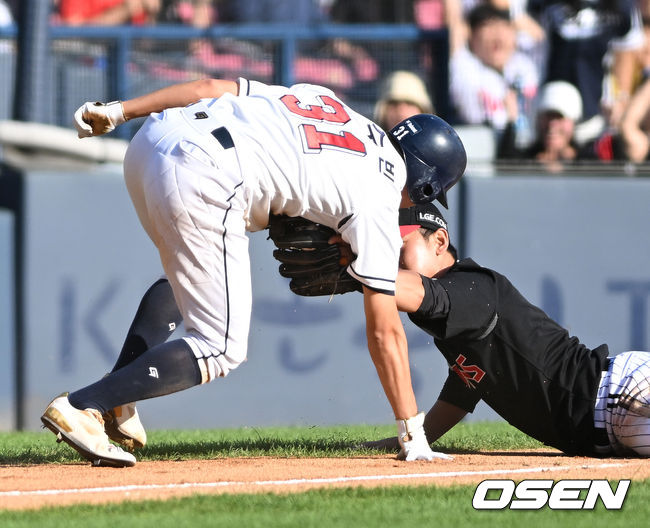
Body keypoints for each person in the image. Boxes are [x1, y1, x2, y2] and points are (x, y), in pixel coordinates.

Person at [40, 78, 467, 467]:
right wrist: (413, 434)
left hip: (152, 141)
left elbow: (210, 85)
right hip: (209, 172)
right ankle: (85, 405)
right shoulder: (381, 194)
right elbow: (384, 331)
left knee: (187, 279)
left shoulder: (328, 101)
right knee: (221, 345)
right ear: (428, 186)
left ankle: (118, 395)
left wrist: (120, 111)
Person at [364, 202, 650, 457]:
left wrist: (357, 267)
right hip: (610, 420)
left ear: (439, 241)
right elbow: (462, 392)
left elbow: (416, 292)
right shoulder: (457, 317)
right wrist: (410, 437)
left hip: (620, 393)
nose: (390, 259)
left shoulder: (472, 287)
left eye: (399, 247)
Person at [449, 4, 539, 144]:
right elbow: (456, 25)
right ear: (472, 38)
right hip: (485, 148)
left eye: (503, 26)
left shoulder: (527, 65)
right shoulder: (468, 69)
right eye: (487, 27)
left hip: (530, 148)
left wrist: (506, 8)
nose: (497, 36)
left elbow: (539, 36)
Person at [497, 80, 627, 170]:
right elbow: (505, 165)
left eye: (560, 117)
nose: (552, 124)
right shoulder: (526, 159)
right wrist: (511, 121)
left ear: (574, 122)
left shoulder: (588, 162)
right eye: (547, 117)